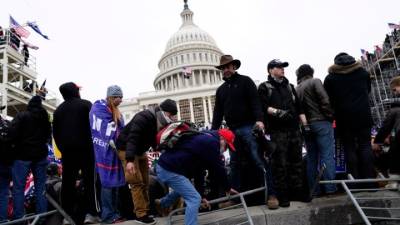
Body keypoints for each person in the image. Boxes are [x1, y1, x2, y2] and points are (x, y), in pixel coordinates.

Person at [211, 55, 277, 209]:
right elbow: (217, 113)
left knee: (258, 159)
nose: (225, 70)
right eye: (223, 68)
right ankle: (234, 198)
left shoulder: (245, 81)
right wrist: (213, 132)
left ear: (234, 67)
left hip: (248, 126)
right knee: (234, 164)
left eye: (228, 67)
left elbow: (255, 102)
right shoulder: (221, 90)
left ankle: (272, 194)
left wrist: (259, 120)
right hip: (232, 130)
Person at [155, 129, 238, 225]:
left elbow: (199, 171)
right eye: (227, 146)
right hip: (169, 169)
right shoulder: (211, 143)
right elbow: (218, 168)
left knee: (186, 189)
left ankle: (162, 204)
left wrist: (202, 195)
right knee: (194, 199)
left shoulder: (205, 137)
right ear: (222, 139)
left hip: (166, 166)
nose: (225, 150)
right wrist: (227, 188)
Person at [257, 59, 308, 207]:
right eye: (279, 67)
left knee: (296, 162)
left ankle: (297, 192)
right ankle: (283, 195)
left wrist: (305, 125)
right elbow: (262, 106)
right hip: (277, 131)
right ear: (270, 70)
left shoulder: (290, 87)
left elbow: (299, 108)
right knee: (280, 164)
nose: (282, 69)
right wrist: (277, 112)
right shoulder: (264, 87)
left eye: (283, 67)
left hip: (294, 130)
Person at [121, 99, 178, 224]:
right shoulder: (143, 117)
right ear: (164, 112)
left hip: (140, 150)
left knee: (146, 181)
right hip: (126, 148)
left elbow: (154, 141)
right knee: (136, 181)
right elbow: (133, 138)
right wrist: (130, 160)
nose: (172, 118)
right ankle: (140, 215)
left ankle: (146, 211)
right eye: (171, 115)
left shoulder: (157, 120)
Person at [53, 82, 100, 225]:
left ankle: (67, 217)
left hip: (67, 152)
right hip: (86, 149)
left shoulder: (58, 110)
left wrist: (63, 148)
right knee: (91, 181)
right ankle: (92, 213)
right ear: (75, 91)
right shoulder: (86, 104)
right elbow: (95, 127)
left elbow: (56, 134)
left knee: (67, 183)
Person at [324, 53, 375, 181]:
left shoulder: (331, 78)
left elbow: (328, 99)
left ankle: (355, 182)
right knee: (365, 146)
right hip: (363, 115)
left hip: (343, 118)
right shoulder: (363, 73)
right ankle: (369, 180)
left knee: (349, 148)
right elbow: (368, 90)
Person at [295, 64, 337, 196]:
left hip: (306, 126)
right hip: (321, 122)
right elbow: (325, 100)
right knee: (327, 156)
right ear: (311, 72)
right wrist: (330, 117)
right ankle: (330, 189)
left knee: (311, 158)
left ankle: (314, 191)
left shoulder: (296, 89)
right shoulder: (315, 81)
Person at [9, 96, 51, 221]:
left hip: (22, 156)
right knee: (40, 188)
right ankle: (41, 218)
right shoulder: (45, 119)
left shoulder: (22, 116)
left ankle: (19, 219)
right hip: (40, 156)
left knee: (18, 188)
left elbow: (12, 133)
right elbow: (48, 135)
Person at [90, 85, 125, 224]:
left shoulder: (115, 110)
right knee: (107, 184)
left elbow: (120, 127)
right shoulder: (99, 108)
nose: (121, 100)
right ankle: (107, 216)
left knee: (115, 184)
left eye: (121, 97)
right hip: (103, 151)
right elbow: (104, 128)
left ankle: (115, 213)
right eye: (118, 97)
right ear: (112, 97)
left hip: (114, 151)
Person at [372, 76, 400, 188]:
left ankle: (394, 182)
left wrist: (377, 142)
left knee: (395, 153)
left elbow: (385, 128)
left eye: (395, 89)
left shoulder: (395, 109)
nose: (395, 93)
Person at [0, 106, 12, 223]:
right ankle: (2, 220)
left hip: (4, 164)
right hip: (5, 164)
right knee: (3, 193)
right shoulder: (7, 125)